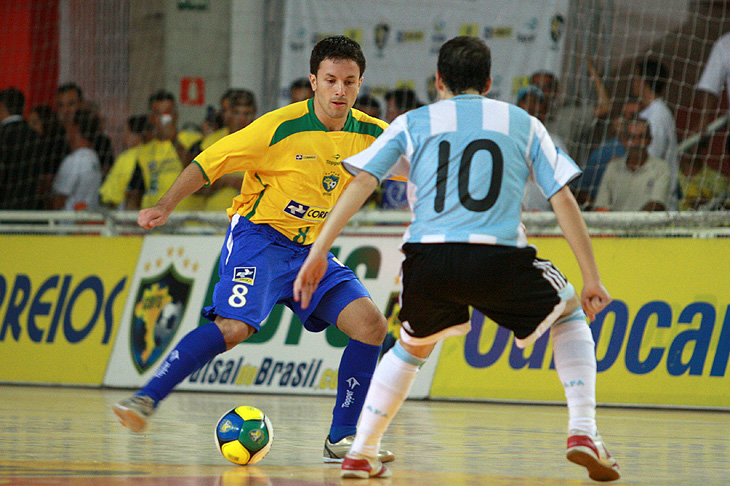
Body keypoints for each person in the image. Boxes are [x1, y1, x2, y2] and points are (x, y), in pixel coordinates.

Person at [294, 36, 621, 482]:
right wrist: (591, 278)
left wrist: (318, 251)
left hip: (427, 261)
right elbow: (561, 196)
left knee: (411, 347)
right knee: (567, 316)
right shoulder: (522, 122)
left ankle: (362, 448)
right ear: (488, 82)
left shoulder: (413, 122)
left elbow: (362, 183)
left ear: (438, 81)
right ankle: (583, 430)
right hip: (497, 256)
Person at [113, 35, 395, 465]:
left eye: (350, 82)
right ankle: (145, 399)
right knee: (234, 330)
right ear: (313, 81)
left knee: (371, 326)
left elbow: (423, 167)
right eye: (331, 80)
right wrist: (165, 204)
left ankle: (342, 439)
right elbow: (210, 161)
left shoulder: (373, 134)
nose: (340, 91)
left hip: (311, 249)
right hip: (259, 240)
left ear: (360, 84)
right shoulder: (279, 127)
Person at [125, 90, 201, 210]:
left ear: (176, 114)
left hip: (189, 223)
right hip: (157, 224)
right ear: (151, 118)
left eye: (168, 113)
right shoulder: (144, 152)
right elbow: (135, 192)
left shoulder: (193, 140)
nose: (164, 118)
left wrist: (174, 140)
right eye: (158, 114)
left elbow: (199, 173)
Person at [593, 117, 672, 211]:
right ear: (623, 140)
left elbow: (657, 205)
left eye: (641, 137)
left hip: (647, 224)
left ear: (650, 140)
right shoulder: (613, 167)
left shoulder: (661, 168)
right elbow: (601, 206)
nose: (636, 143)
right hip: (615, 224)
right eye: (631, 137)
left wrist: (629, 223)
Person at [572, 100, 639, 209]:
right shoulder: (604, 149)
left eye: (632, 116)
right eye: (623, 115)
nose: (624, 120)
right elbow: (580, 188)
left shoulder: (646, 152)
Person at [631, 58, 679, 207]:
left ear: (643, 82)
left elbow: (651, 159)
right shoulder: (650, 112)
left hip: (657, 202)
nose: (632, 82)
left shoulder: (658, 116)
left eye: (635, 78)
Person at [0, 87, 46, 210]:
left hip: (4, 211)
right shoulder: (35, 136)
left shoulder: (3, 135)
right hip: (31, 209)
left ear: (2, 107)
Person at [56, 83, 115, 177]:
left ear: (81, 104)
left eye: (71, 104)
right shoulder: (52, 138)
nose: (66, 110)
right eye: (61, 105)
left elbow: (108, 173)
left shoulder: (101, 140)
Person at [51, 108, 102, 211]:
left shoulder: (74, 160)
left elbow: (59, 199)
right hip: (87, 221)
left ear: (75, 128)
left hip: (69, 224)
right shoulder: (94, 157)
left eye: (68, 126)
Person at [99, 114, 150, 209]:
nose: (124, 138)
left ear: (138, 136)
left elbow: (110, 197)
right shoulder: (160, 154)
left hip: (132, 217)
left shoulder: (127, 158)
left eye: (127, 133)